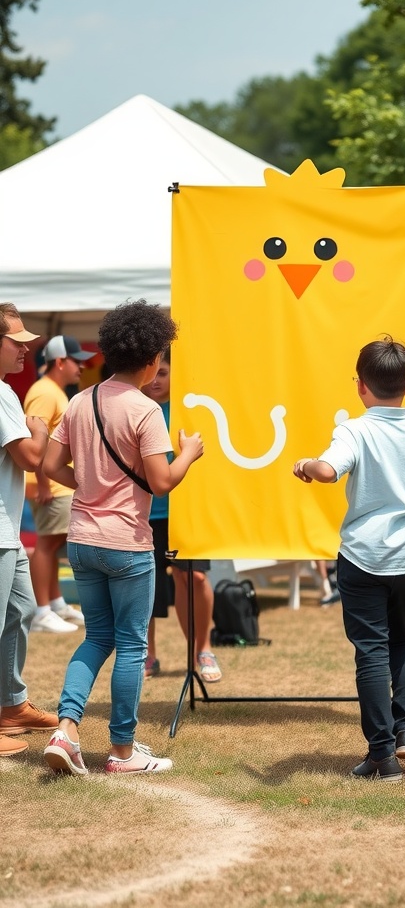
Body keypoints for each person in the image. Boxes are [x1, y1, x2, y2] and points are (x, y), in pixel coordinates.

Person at [293, 337, 405, 782]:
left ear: (360, 386)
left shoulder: (354, 429)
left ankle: (381, 755)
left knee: (371, 651)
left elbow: (329, 470)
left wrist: (306, 464)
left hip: (363, 556)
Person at [41, 300, 204, 777]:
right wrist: (190, 453)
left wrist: (89, 486)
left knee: (96, 639)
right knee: (131, 646)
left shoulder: (78, 400)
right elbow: (161, 482)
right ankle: (123, 752)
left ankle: (67, 730)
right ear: (153, 358)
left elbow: (50, 467)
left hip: (82, 538)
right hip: (127, 543)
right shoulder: (146, 410)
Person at [0, 302, 59, 757]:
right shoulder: (2, 394)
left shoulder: (6, 391)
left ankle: (12, 705)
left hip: (8, 531)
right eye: (16, 342)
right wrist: (39, 430)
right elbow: (32, 458)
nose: (26, 349)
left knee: (18, 612)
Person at [141, 350, 221, 683]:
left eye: (164, 373)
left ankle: (202, 649)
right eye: (153, 373)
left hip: (187, 512)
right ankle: (148, 654)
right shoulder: (138, 408)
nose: (156, 380)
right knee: (143, 585)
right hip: (145, 513)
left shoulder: (191, 408)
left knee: (194, 578)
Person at [24, 335, 94, 634]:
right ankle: (41, 610)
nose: (82, 366)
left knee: (52, 543)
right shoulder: (45, 392)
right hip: (48, 483)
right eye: (76, 360)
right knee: (47, 543)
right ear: (60, 361)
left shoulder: (54, 391)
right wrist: (41, 483)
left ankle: (55, 603)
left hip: (52, 481)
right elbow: (33, 438)